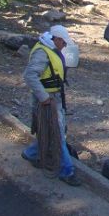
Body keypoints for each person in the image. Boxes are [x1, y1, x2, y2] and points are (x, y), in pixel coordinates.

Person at [20, 25, 81, 186]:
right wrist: (44, 97)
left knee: (47, 130)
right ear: (58, 39)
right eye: (64, 43)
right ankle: (67, 171)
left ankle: (31, 153)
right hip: (47, 100)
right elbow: (29, 75)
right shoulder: (42, 52)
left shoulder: (50, 48)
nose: (65, 46)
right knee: (58, 134)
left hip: (54, 97)